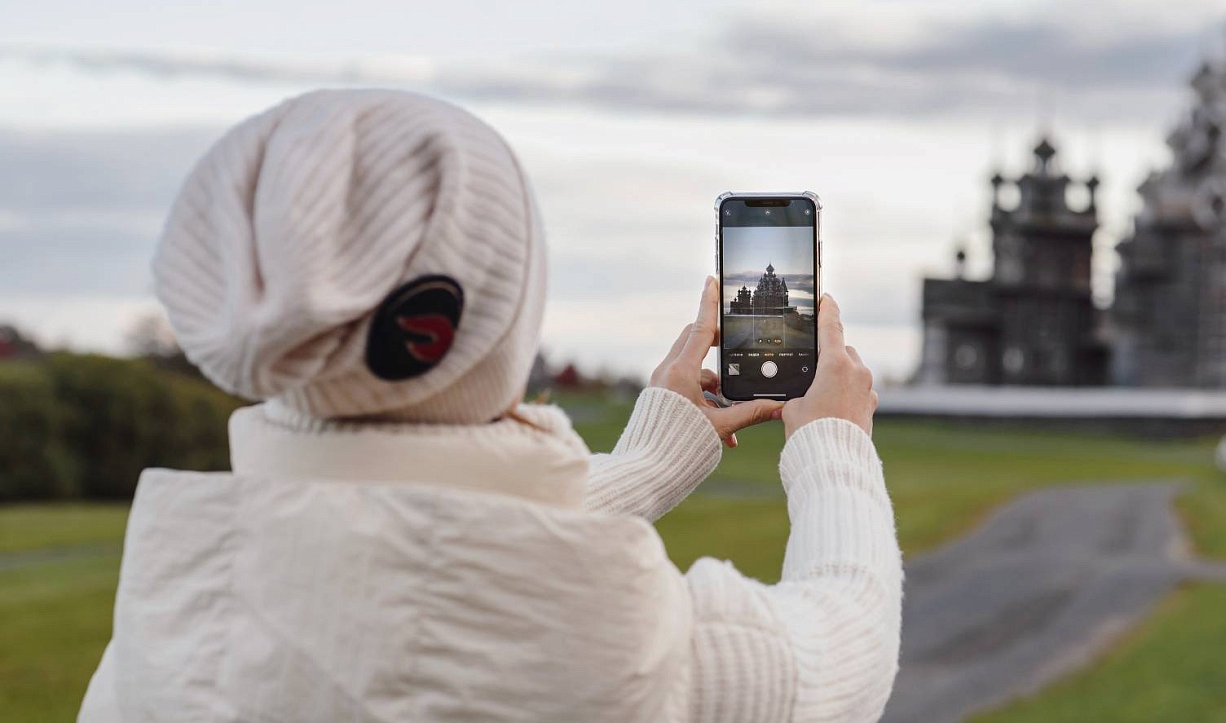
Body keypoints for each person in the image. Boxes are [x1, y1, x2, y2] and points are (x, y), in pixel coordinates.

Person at [78, 89, 902, 722]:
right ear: (473, 320)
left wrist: (653, 457)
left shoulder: (166, 606)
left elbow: (407, 534)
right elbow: (842, 650)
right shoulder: (606, 622)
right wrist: (834, 446)